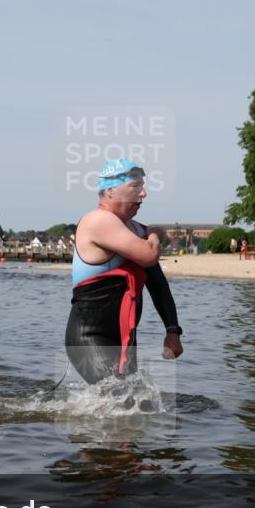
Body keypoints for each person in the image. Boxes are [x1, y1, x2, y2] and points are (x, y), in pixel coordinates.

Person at [65, 158, 183, 384]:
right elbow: (149, 255)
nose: (143, 194)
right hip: (89, 336)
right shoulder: (97, 220)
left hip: (125, 337)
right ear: (110, 191)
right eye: (135, 187)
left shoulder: (135, 230)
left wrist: (172, 331)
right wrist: (156, 234)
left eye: (143, 186)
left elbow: (157, 284)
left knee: (134, 406)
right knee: (119, 400)